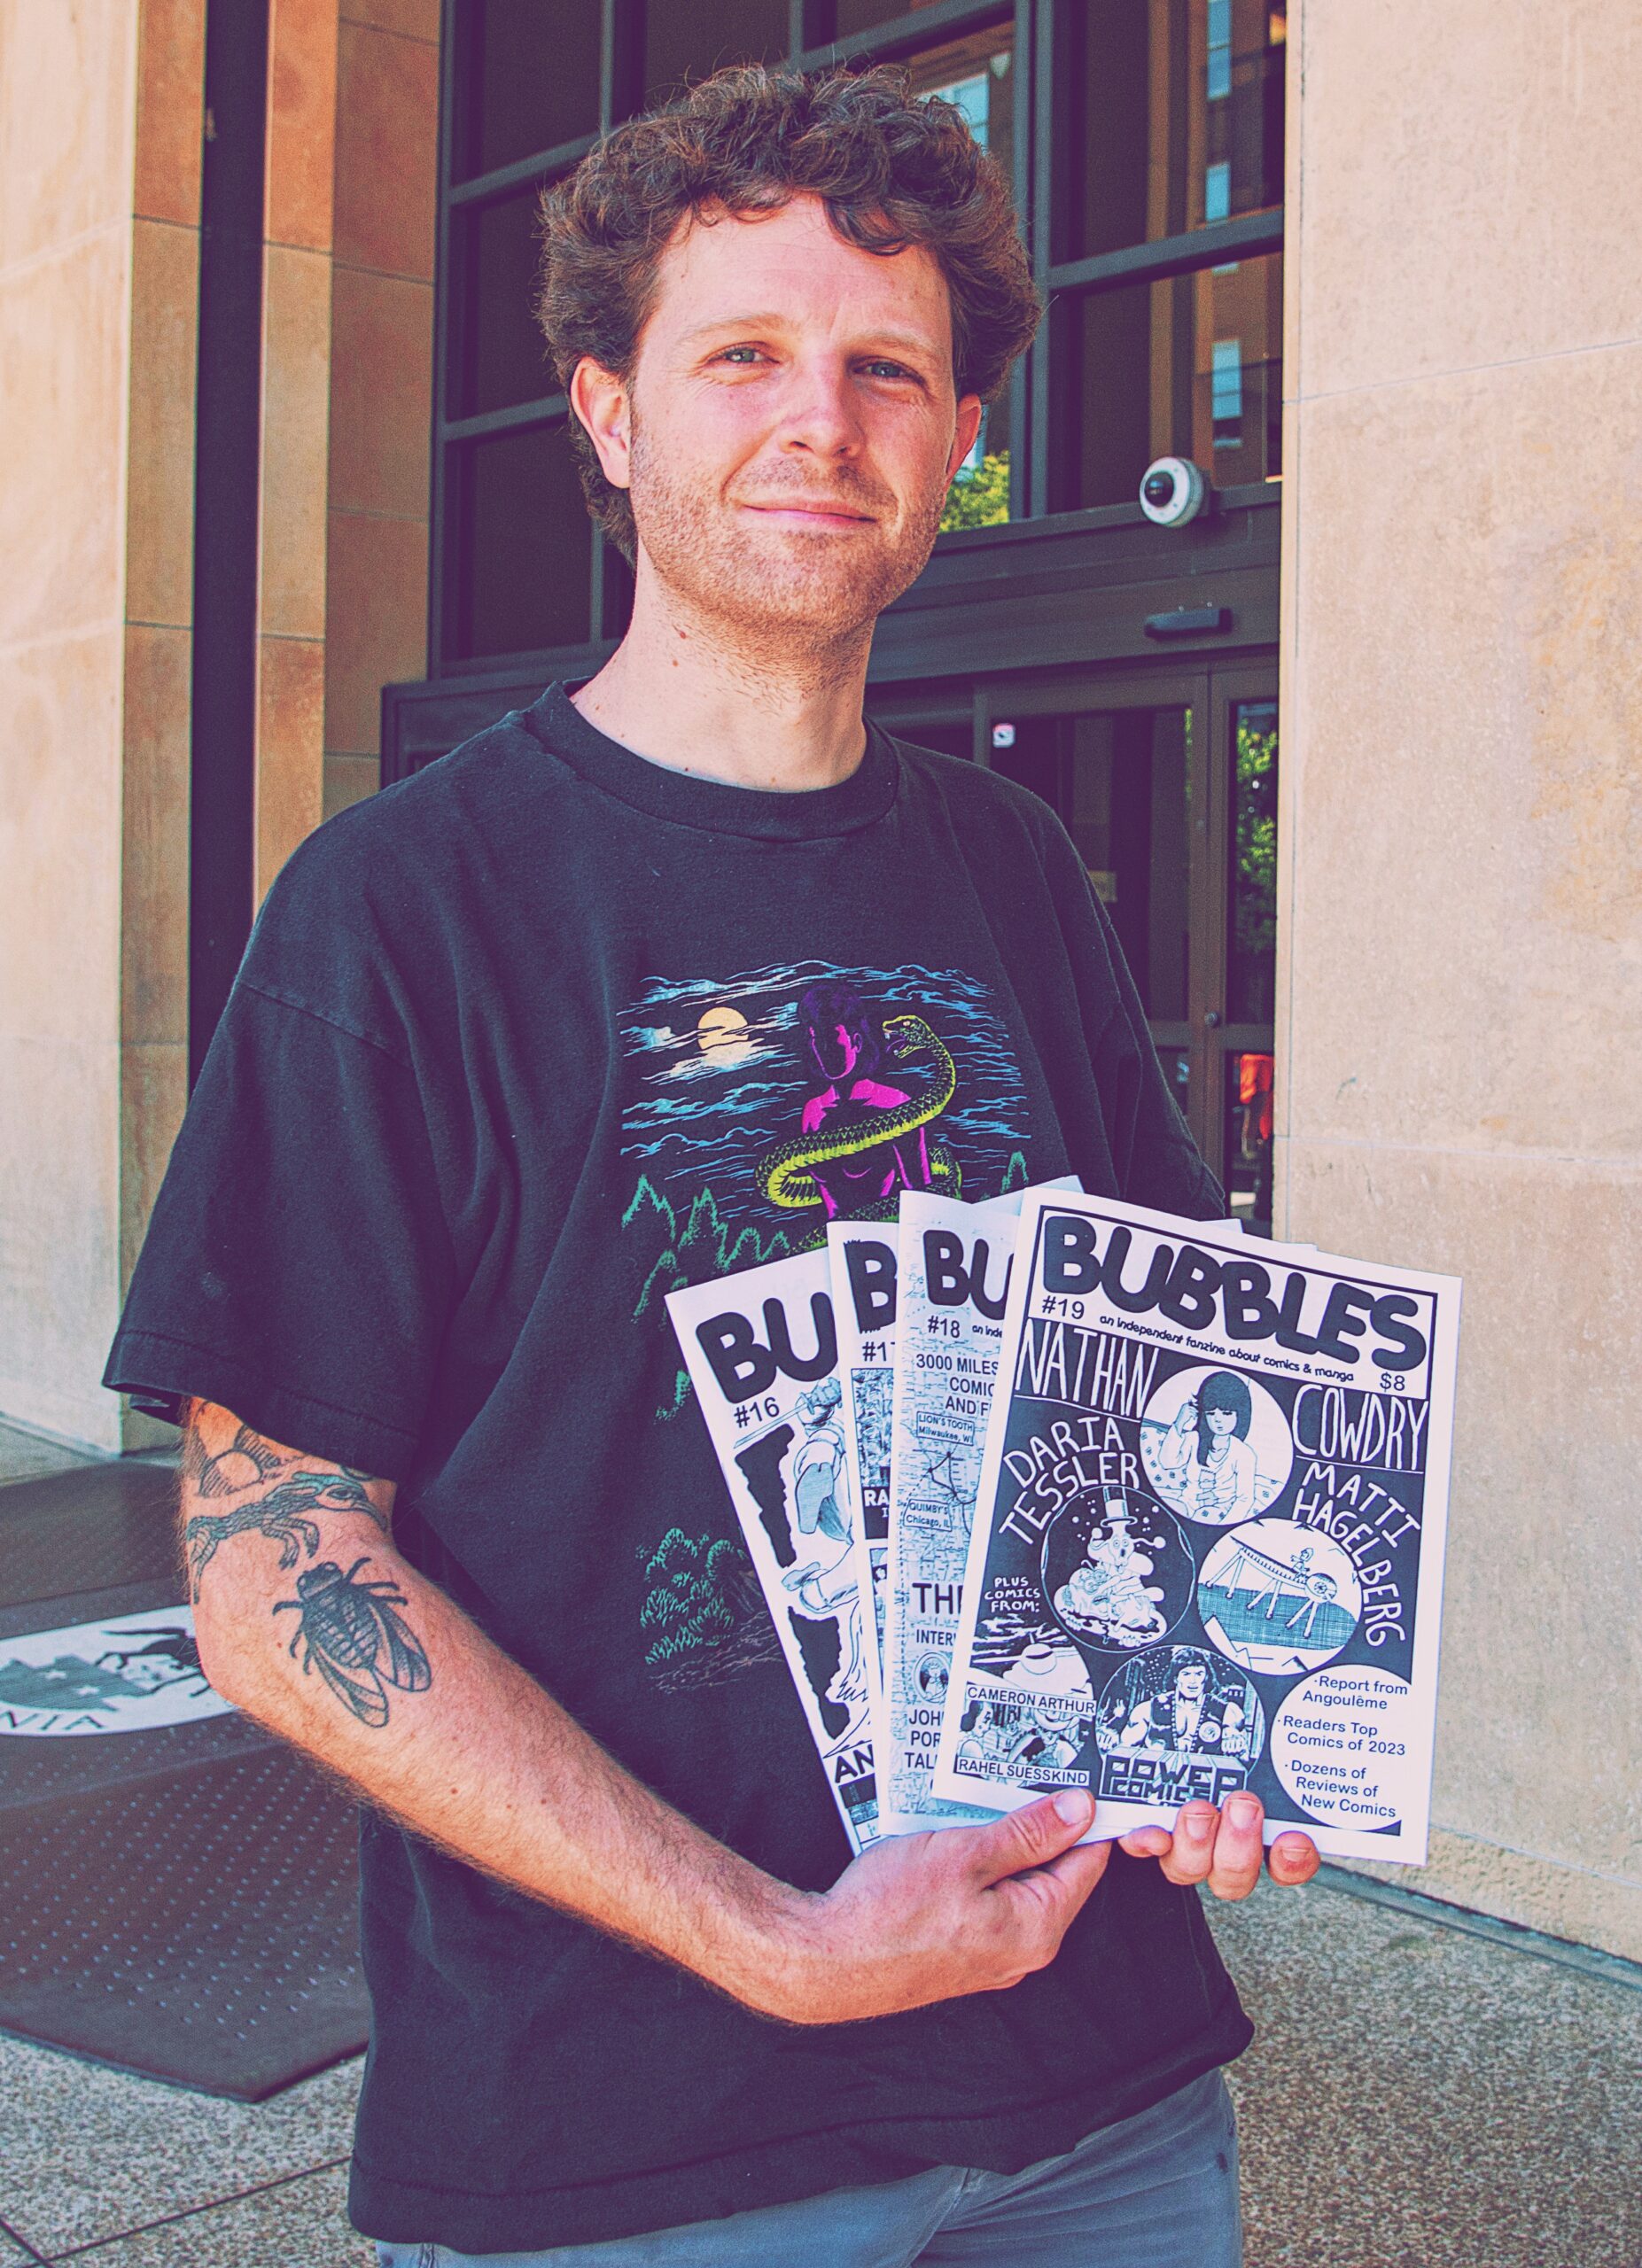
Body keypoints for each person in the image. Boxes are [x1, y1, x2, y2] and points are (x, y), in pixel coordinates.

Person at [103, 64, 1319, 2267]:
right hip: (627, 2141)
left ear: (959, 436)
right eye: (742, 353)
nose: (818, 422)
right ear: (608, 412)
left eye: (887, 371)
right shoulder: (399, 907)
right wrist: (775, 1938)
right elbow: (277, 1567)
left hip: (1098, 2087)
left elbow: (1142, 1389)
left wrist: (1221, 1728)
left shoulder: (1019, 868)